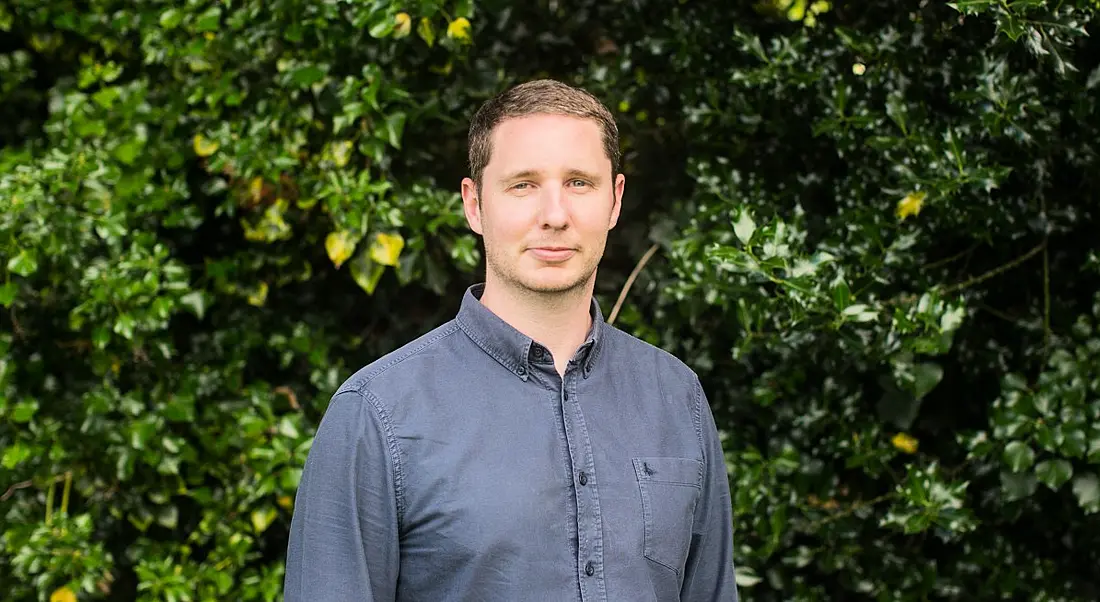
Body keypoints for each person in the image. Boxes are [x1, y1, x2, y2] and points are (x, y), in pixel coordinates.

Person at [283, 79, 738, 601]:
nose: (554, 215)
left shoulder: (676, 397)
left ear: (614, 201)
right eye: (523, 184)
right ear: (474, 205)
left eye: (578, 183)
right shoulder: (377, 413)